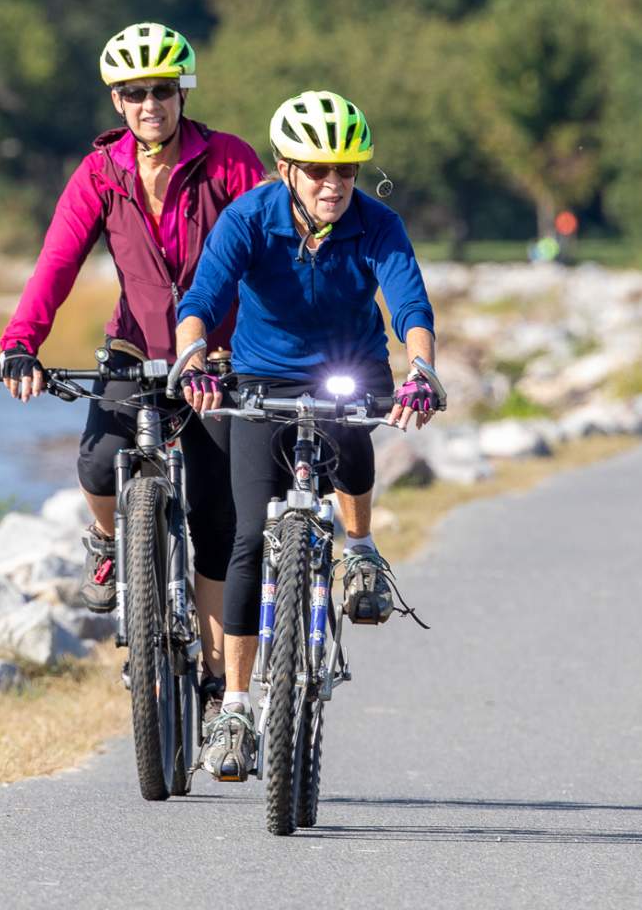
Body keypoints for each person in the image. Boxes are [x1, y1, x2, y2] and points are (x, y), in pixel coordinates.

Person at [0, 21, 265, 716]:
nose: (151, 105)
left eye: (163, 91)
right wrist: (21, 341)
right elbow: (58, 261)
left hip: (219, 359)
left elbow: (269, 249)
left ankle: (215, 683)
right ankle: (108, 540)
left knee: (218, 518)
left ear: (183, 94)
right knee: (96, 464)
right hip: (135, 350)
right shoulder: (101, 173)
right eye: (136, 93)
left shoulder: (230, 161)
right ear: (118, 100)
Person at [175, 89, 441, 780]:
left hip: (349, 369)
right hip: (262, 380)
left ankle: (360, 549)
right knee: (247, 539)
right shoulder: (250, 217)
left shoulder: (377, 223)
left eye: (346, 170)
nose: (334, 183)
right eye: (318, 170)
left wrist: (422, 369)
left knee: (351, 437)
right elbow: (202, 298)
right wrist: (192, 357)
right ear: (286, 167)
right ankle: (235, 708)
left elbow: (409, 303)